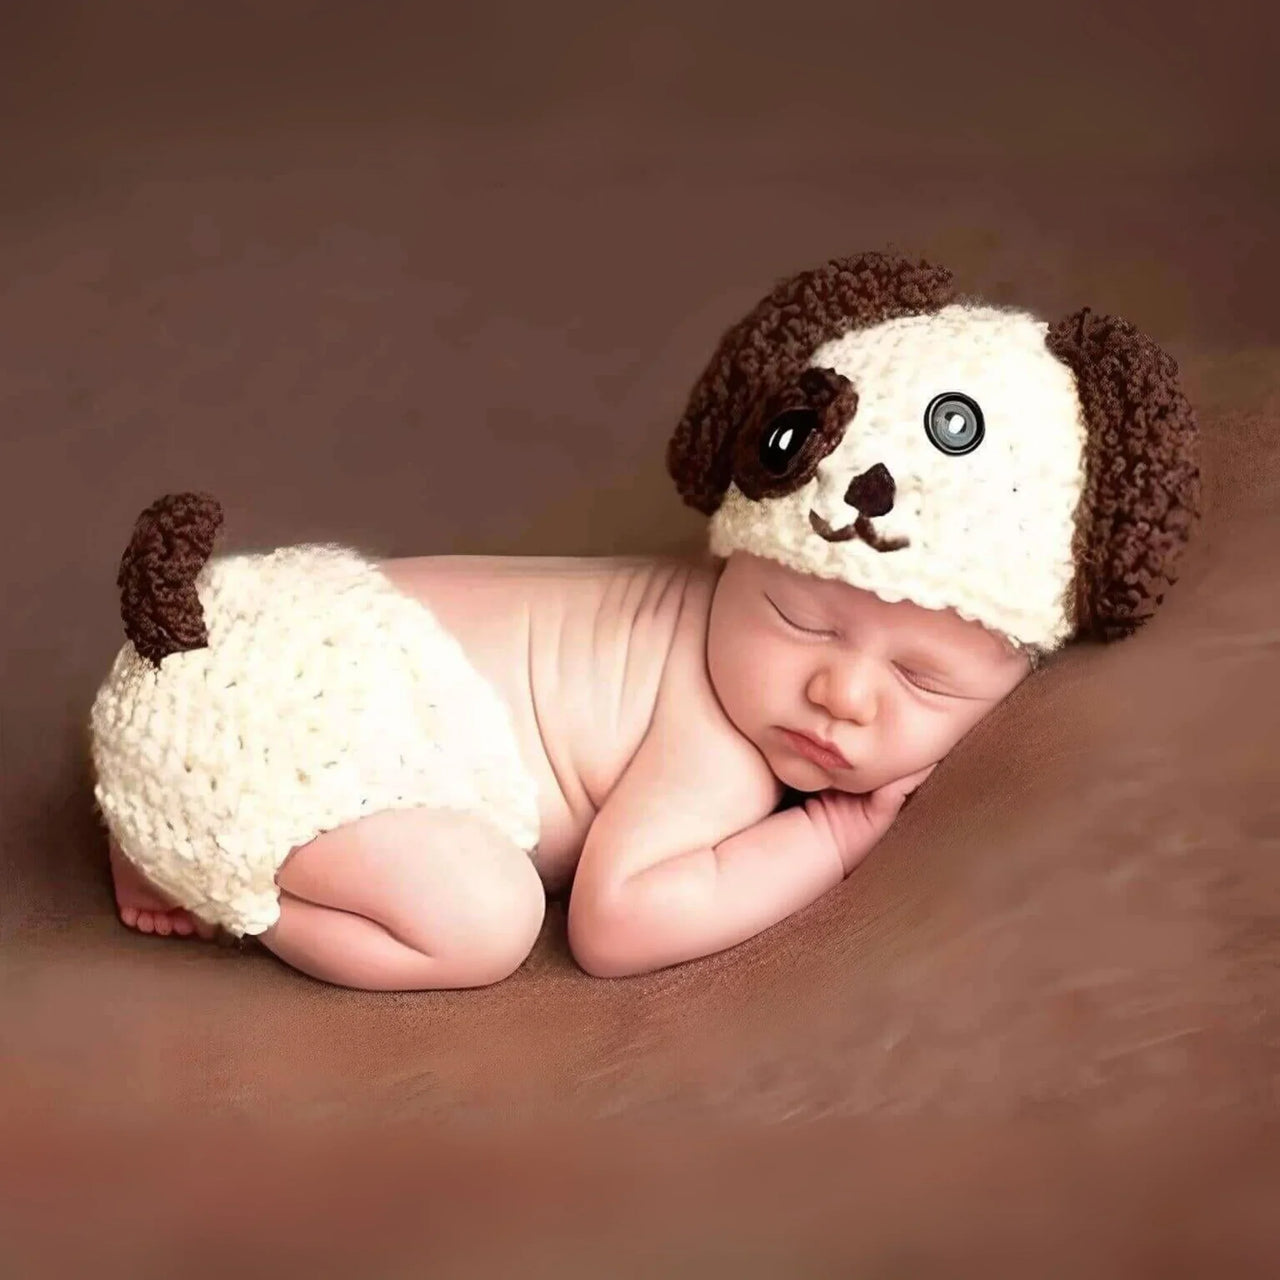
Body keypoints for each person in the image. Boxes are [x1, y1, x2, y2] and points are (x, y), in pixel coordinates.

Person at [92, 250, 1201, 987]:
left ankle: (162, 807)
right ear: (738, 556)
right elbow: (616, 925)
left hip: (240, 628)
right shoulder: (711, 746)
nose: (841, 693)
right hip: (277, 717)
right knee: (483, 922)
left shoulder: (706, 619)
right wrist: (826, 830)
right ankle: (224, 874)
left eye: (922, 679)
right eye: (799, 624)